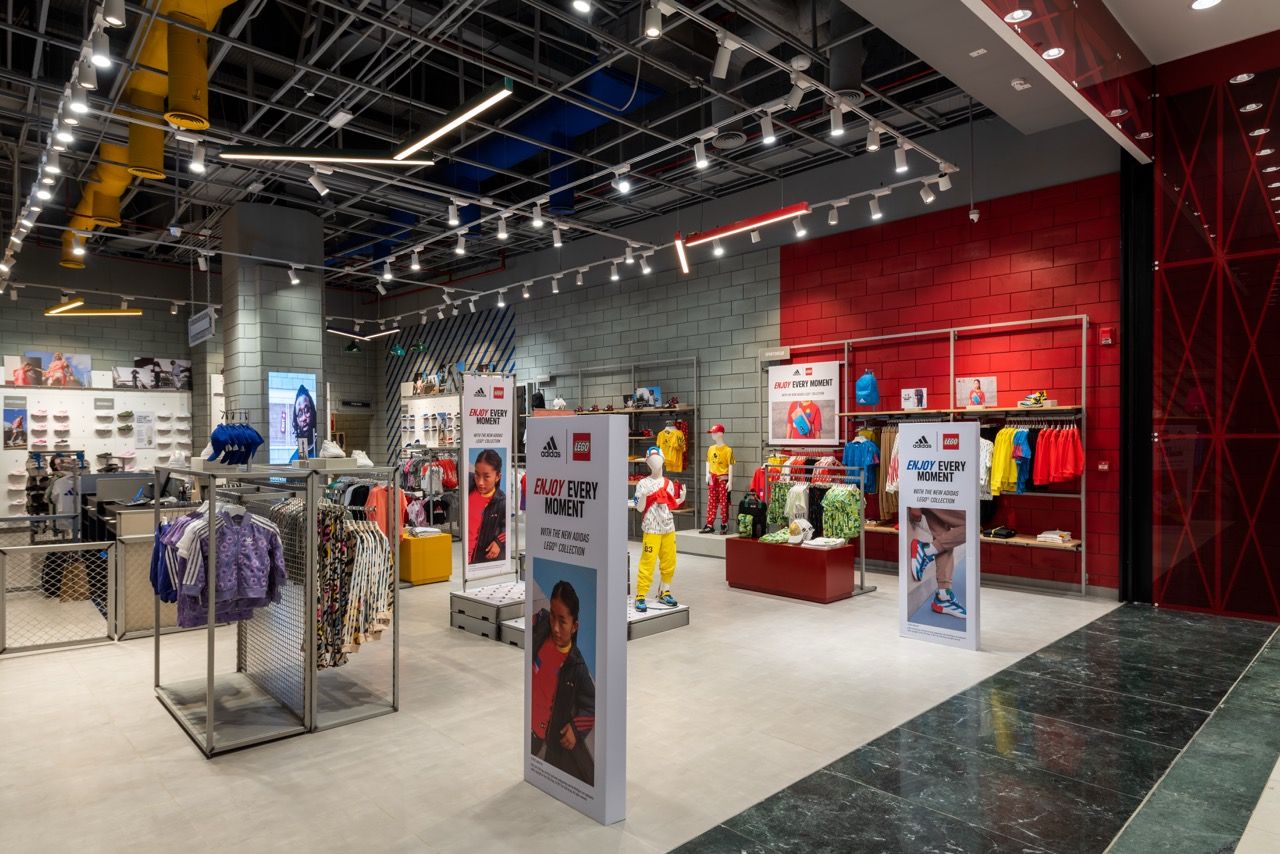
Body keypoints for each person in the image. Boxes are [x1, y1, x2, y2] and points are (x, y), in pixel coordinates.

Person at [530, 580, 595, 785]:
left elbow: (592, 705)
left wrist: (575, 729)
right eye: (552, 616)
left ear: (575, 626)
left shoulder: (577, 666)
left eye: (562, 621)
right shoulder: (541, 628)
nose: (555, 627)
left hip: (546, 741)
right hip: (528, 730)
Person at [908, 507, 968, 619]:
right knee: (971, 524)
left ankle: (944, 595)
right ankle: (926, 551)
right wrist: (914, 504)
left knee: (943, 538)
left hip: (938, 494)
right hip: (931, 493)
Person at [468, 448, 506, 563]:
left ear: (498, 476)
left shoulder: (501, 502)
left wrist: (499, 542)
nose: (480, 482)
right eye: (477, 475)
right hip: (465, 559)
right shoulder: (469, 486)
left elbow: (507, 527)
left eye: (486, 477)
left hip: (484, 560)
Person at [288, 385, 317, 461]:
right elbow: (304, 471)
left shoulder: (321, 449)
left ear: (313, 412)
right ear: (296, 420)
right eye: (300, 414)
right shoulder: (294, 459)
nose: (304, 418)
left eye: (307, 410)